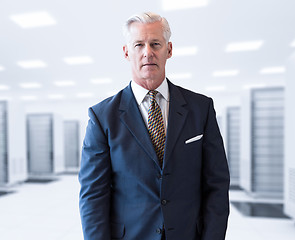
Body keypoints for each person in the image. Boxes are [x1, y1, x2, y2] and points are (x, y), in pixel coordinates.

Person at [79, 12, 230, 240]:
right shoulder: (102, 117)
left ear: (169, 50)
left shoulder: (201, 109)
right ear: (126, 52)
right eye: (139, 44)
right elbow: (93, 197)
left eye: (155, 44)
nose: (147, 52)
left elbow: (216, 186)